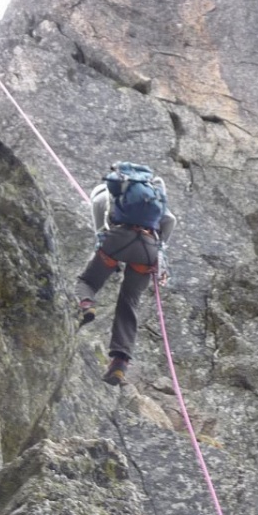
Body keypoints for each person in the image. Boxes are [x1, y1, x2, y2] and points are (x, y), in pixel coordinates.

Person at [76, 163, 176, 386]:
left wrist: (101, 237)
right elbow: (170, 221)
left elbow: (99, 205)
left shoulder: (109, 189)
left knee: (87, 281)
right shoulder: (155, 192)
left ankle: (86, 305)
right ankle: (119, 364)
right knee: (129, 301)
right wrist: (160, 252)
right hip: (148, 248)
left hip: (118, 240)